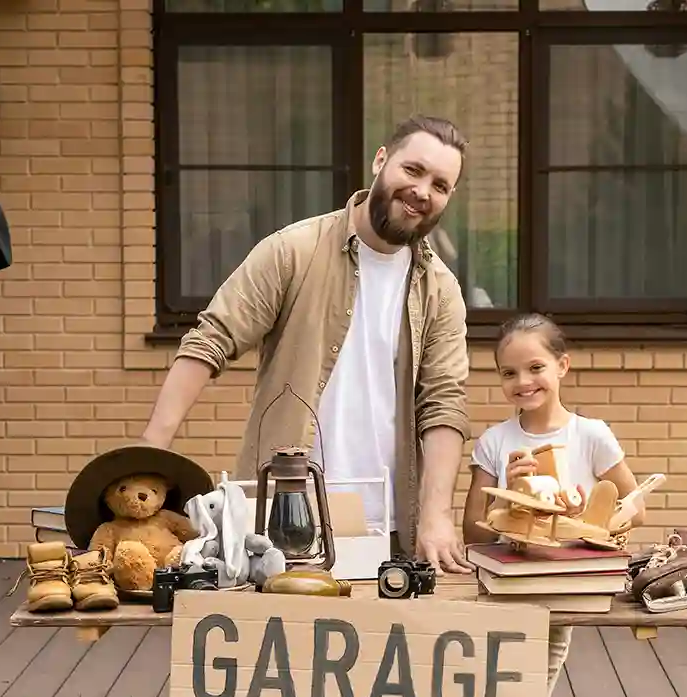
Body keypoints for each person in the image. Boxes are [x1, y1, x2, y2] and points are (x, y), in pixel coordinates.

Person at [139, 115, 476, 575]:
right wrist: (146, 459)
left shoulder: (441, 289)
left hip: (392, 529)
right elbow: (209, 340)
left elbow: (443, 403)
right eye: (412, 170)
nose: (422, 191)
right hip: (279, 524)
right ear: (381, 160)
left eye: (440, 184)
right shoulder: (292, 250)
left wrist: (436, 517)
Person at [462, 313, 648, 697]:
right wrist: (507, 489)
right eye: (508, 373)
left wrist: (586, 517)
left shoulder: (589, 435)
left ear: (562, 366)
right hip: (506, 592)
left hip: (562, 595)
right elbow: (472, 528)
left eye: (535, 367)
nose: (523, 383)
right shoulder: (497, 443)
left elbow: (628, 505)